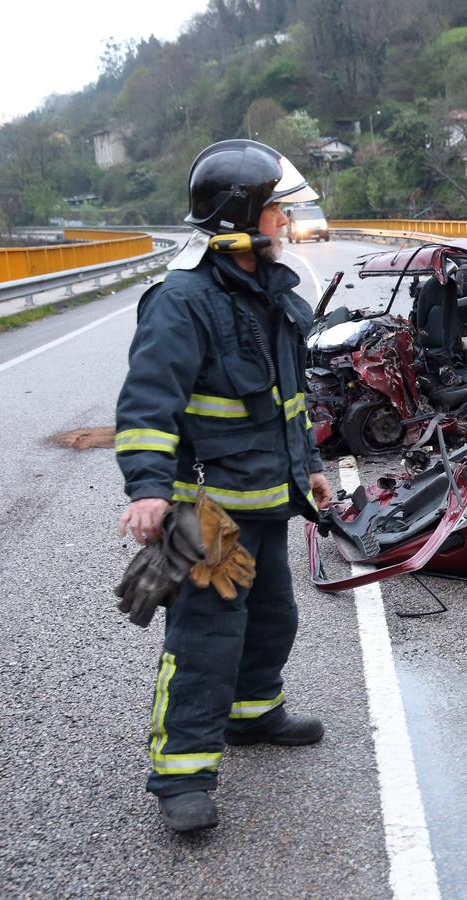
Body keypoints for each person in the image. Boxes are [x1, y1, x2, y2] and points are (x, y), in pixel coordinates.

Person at [114, 139, 334, 834]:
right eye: (277, 211)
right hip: (208, 512)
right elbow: (149, 403)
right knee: (205, 642)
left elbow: (288, 400)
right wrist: (150, 489)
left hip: (267, 500)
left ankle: (254, 714)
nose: (286, 224)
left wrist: (314, 471)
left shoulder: (271, 294)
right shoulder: (182, 302)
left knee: (274, 621)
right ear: (240, 216)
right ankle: (181, 774)